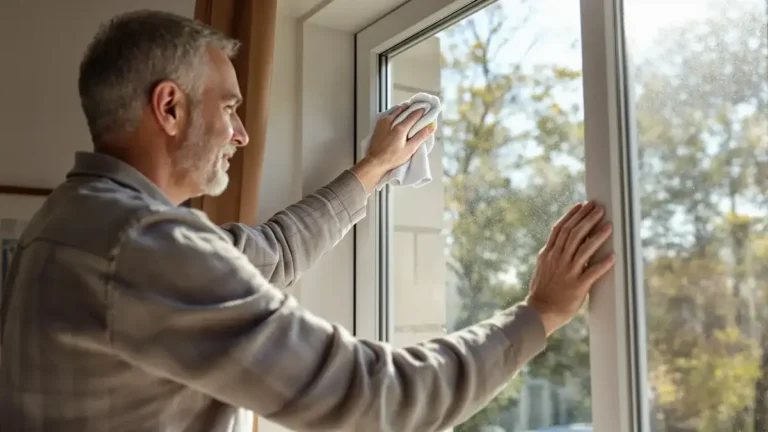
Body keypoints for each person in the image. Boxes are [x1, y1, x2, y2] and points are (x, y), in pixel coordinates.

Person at [0, 9, 615, 432]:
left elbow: (266, 252)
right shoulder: (140, 243)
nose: (241, 135)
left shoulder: (74, 219)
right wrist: (539, 315)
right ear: (169, 107)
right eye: (231, 108)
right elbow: (377, 397)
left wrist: (371, 170)